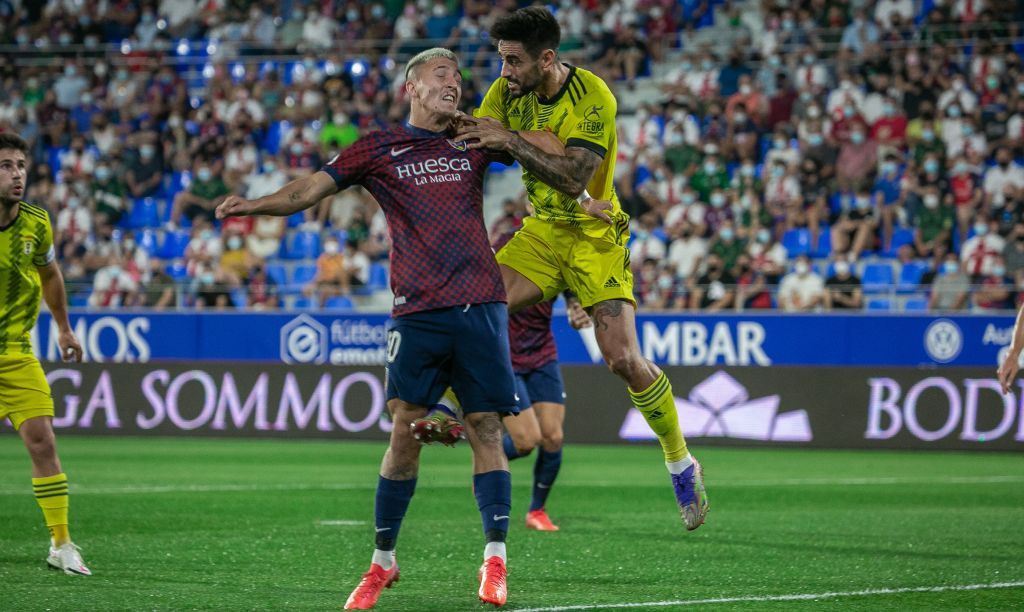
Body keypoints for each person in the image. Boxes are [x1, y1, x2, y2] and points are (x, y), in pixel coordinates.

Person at [216, 48, 515, 609]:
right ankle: (383, 562)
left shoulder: (475, 137)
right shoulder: (379, 147)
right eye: (441, 74)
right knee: (404, 432)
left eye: (457, 75)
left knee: (486, 427)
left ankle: (495, 560)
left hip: (480, 301)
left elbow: (540, 165)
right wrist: (252, 206)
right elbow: (309, 190)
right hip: (417, 308)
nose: (454, 83)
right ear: (412, 87)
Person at [453, 5, 708, 532]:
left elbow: (574, 177)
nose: (504, 73)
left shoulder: (593, 96)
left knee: (622, 359)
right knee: (469, 305)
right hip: (543, 232)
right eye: (501, 60)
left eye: (514, 62)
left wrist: (514, 141)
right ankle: (447, 408)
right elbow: (479, 143)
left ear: (547, 59)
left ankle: (680, 460)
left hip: (595, 237)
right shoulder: (506, 93)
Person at [0, 132, 90, 576]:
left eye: (19, 165)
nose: (16, 174)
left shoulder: (37, 222)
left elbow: (51, 275)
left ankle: (61, 544)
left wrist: (64, 328)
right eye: (5, 166)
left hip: (16, 353)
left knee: (43, 440)